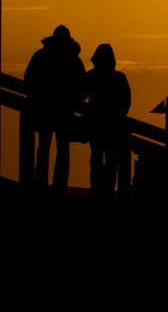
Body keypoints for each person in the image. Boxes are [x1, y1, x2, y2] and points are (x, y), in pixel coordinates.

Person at [24, 25, 86, 195]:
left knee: (43, 146)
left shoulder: (41, 56)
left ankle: (40, 183)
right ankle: (59, 186)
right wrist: (75, 100)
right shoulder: (73, 60)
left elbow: (28, 79)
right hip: (65, 111)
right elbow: (83, 86)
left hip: (43, 108)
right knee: (63, 148)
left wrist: (35, 98)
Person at [85, 43, 131, 198]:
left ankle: (96, 187)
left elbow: (80, 94)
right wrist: (119, 116)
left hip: (96, 124)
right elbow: (126, 101)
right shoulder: (119, 78)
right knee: (111, 157)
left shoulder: (92, 76)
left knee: (97, 156)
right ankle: (109, 189)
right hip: (113, 126)